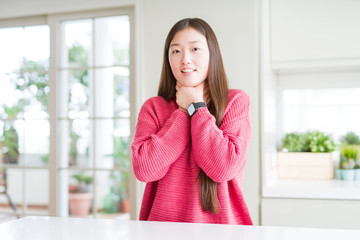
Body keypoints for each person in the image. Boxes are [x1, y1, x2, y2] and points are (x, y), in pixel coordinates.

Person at [131, 18, 252, 225]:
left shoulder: (235, 102)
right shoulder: (154, 107)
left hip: (222, 231)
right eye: (175, 51)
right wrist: (181, 111)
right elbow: (144, 169)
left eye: (195, 49)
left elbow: (223, 167)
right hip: (162, 231)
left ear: (212, 54)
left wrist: (197, 107)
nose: (185, 59)